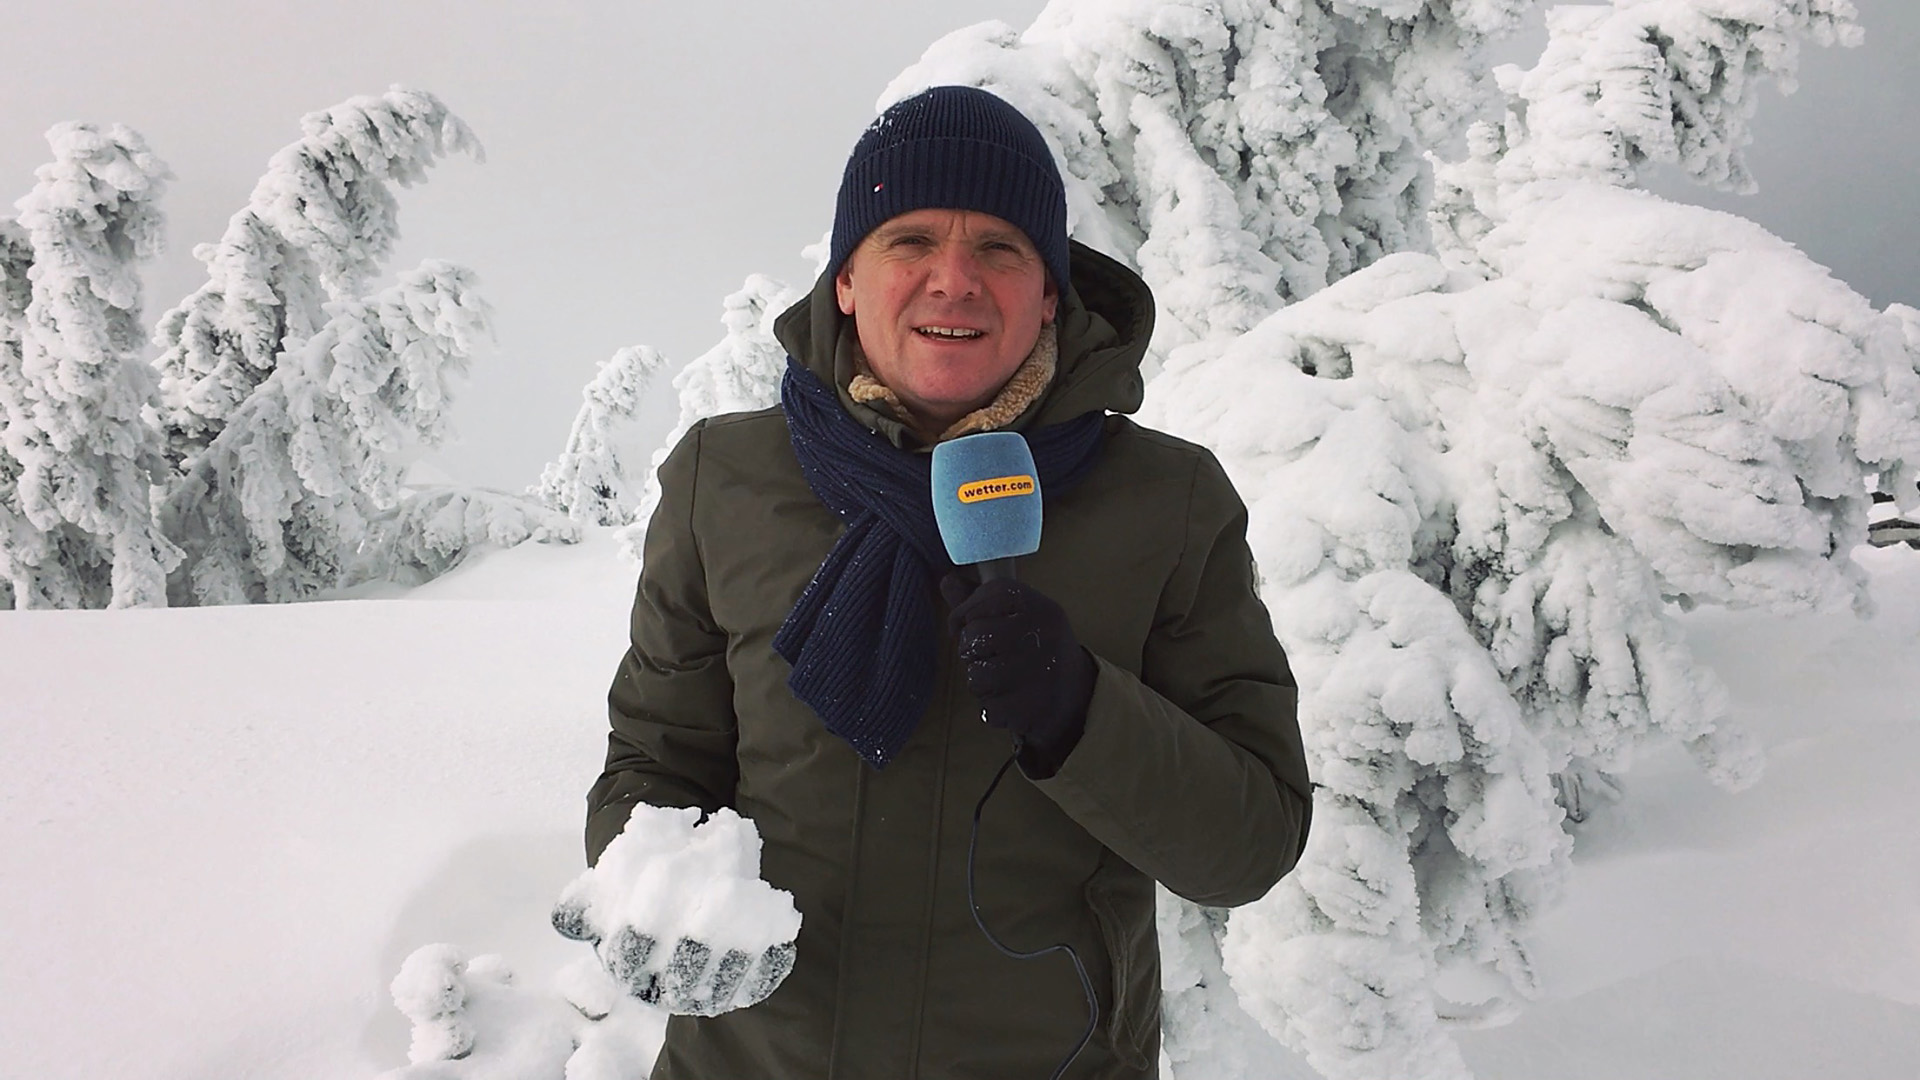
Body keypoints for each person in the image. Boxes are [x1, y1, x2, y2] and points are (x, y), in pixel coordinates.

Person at [583, 84, 1312, 1079]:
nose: (953, 281)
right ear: (845, 280)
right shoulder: (727, 481)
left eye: (1001, 250)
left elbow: (1251, 842)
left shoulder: (1164, 503)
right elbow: (657, 766)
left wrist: (1082, 714)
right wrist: (657, 892)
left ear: (1050, 290)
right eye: (911, 241)